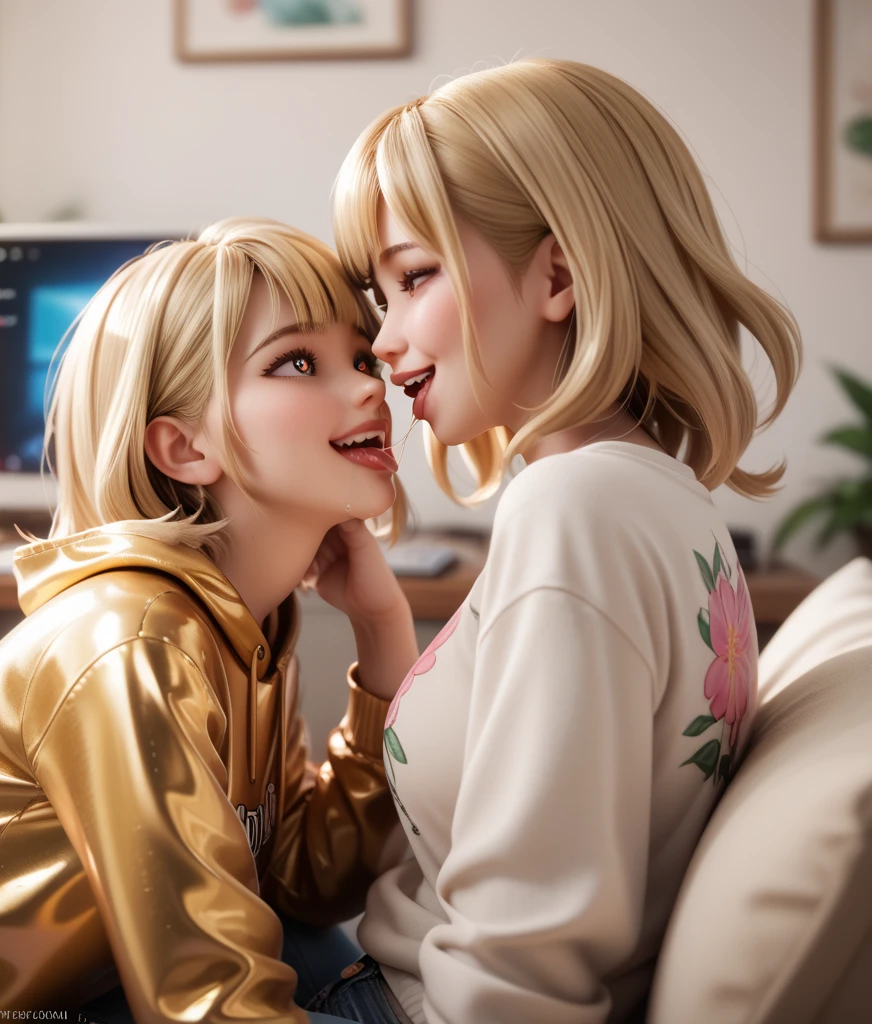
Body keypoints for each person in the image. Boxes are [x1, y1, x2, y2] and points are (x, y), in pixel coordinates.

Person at [311, 59, 803, 1024]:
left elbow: (517, 974)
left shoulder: (575, 512)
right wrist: (380, 622)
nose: (382, 339)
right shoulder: (659, 493)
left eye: (414, 276)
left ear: (559, 275)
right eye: (380, 297)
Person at [0, 219, 420, 1023]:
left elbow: (299, 879)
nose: (371, 385)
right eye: (298, 361)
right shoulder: (139, 641)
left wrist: (384, 631)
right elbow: (208, 1003)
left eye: (361, 357)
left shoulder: (246, 622)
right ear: (183, 449)